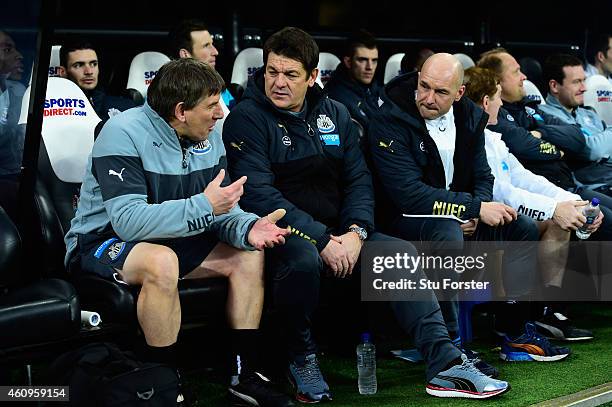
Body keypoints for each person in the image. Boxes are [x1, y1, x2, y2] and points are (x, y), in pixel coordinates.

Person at [223, 27, 510, 401]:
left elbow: (360, 181)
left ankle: (445, 363)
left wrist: (357, 233)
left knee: (399, 253)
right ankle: (301, 359)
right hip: (279, 232)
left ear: (312, 77)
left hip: (343, 232)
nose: (278, 82)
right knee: (302, 258)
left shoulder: (335, 113)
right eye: (272, 71)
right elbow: (261, 195)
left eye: (291, 74)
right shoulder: (246, 117)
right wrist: (323, 239)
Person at [64, 58, 295, 407]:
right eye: (212, 105)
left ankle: (242, 373)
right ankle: (164, 387)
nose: (220, 114)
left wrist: (248, 227)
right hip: (103, 241)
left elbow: (221, 208)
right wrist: (206, 207)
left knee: (247, 255)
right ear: (181, 111)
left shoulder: (209, 134)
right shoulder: (122, 132)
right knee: (162, 261)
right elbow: (128, 221)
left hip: (173, 236)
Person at [367, 52, 571, 363]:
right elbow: (407, 194)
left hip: (456, 215)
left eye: (441, 92)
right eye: (424, 86)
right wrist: (470, 209)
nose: (428, 98)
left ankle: (512, 332)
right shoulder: (389, 118)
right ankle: (451, 343)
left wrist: (475, 207)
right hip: (402, 220)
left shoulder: (469, 117)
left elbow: (483, 175)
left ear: (459, 93)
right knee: (446, 230)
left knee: (520, 227)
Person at [463, 66, 595, 341]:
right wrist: (554, 209)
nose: (502, 103)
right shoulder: (469, 138)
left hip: (503, 216)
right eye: (498, 97)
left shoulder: (492, 137)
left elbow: (525, 178)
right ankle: (512, 322)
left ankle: (545, 311)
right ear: (486, 102)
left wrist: (573, 201)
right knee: (534, 222)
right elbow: (501, 193)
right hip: (478, 223)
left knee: (559, 224)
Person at [539, 53, 612, 187]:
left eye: (584, 80)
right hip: (592, 189)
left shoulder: (589, 114)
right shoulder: (544, 116)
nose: (584, 88)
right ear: (554, 86)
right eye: (576, 82)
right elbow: (591, 150)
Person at [168, 19, 235, 120]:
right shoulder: (168, 95)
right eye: (206, 46)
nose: (215, 52)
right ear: (185, 54)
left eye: (212, 44)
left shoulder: (219, 87)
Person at [58, 39, 136, 122]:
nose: (89, 72)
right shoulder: (53, 109)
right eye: (78, 65)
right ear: (63, 72)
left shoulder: (125, 107)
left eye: (93, 64)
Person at [324, 29, 380, 131]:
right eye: (362, 60)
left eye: (374, 60)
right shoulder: (336, 99)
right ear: (348, 62)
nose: (370, 67)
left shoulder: (379, 91)